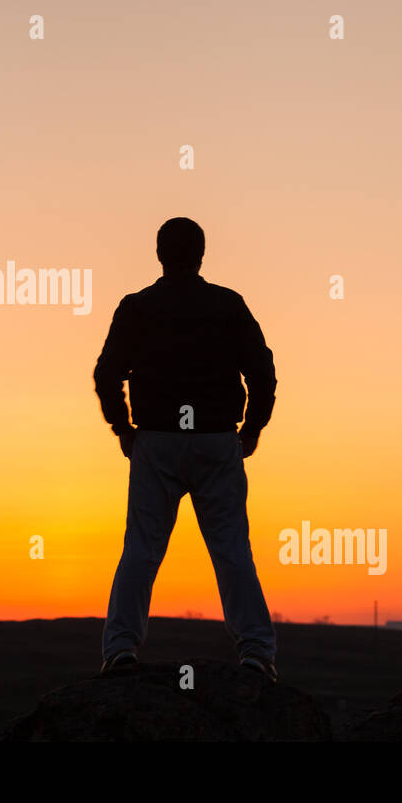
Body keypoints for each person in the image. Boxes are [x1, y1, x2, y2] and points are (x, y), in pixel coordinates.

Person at [93, 217, 279, 681]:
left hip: (155, 441)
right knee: (232, 549)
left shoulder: (137, 308)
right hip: (218, 441)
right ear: (201, 253)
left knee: (141, 549)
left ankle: (120, 650)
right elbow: (263, 371)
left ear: (159, 253)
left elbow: (106, 373)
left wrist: (124, 429)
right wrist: (252, 428)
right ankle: (256, 653)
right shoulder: (227, 305)